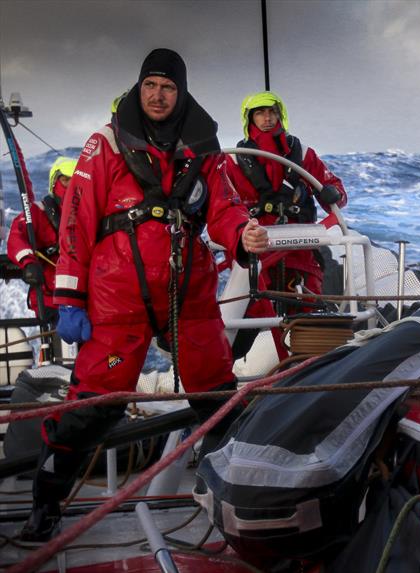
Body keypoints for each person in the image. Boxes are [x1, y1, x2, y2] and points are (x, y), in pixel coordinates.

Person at [19, 48, 268, 541]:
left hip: (188, 296)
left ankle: (242, 494)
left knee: (216, 396)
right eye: (151, 85)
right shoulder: (104, 144)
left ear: (182, 93)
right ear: (139, 88)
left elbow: (225, 208)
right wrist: (69, 298)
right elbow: (75, 223)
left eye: (168, 87)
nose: (158, 95)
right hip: (118, 300)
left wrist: (243, 234)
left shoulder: (204, 148)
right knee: (93, 405)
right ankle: (45, 502)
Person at [225, 91, 347, 357]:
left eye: (272, 112)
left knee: (305, 306)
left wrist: (332, 195)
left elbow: (336, 193)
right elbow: (222, 206)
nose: (267, 118)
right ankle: (234, 370)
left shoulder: (302, 154)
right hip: (256, 251)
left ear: (281, 115)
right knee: (249, 313)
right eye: (260, 113)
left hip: (299, 249)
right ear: (249, 119)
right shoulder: (233, 161)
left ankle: (307, 365)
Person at [7, 157, 77, 325]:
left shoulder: (90, 215)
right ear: (54, 183)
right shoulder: (36, 213)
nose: (71, 186)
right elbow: (16, 237)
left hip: (87, 297)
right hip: (49, 298)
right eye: (66, 180)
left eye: (76, 181)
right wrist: (28, 262)